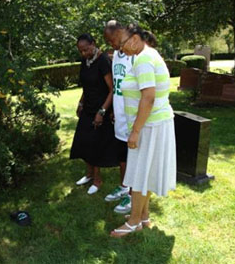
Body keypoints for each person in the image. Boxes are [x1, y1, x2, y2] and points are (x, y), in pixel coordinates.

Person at [110, 24, 176, 237]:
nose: (121, 50)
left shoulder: (144, 59)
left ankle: (133, 221)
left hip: (148, 126)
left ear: (135, 38)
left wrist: (135, 131)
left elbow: (148, 97)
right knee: (144, 173)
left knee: (139, 175)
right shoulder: (148, 55)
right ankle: (143, 216)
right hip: (153, 124)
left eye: (122, 44)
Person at [70, 33, 119, 195]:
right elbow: (86, 86)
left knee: (95, 145)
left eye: (86, 49)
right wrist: (81, 102)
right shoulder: (85, 62)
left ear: (93, 44)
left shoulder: (103, 61)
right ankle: (89, 174)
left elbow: (112, 90)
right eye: (80, 51)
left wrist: (102, 111)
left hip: (101, 108)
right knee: (83, 141)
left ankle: (98, 180)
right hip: (88, 108)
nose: (83, 53)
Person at [103, 20, 133, 214]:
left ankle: (132, 195)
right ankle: (124, 187)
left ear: (120, 32)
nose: (110, 44)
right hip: (121, 115)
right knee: (122, 155)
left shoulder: (136, 54)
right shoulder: (116, 57)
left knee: (134, 157)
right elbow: (116, 86)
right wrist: (114, 108)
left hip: (134, 116)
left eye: (111, 39)